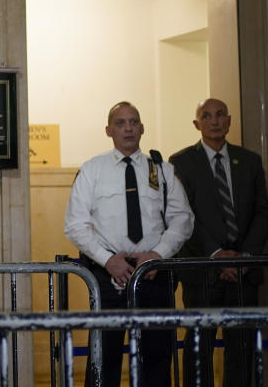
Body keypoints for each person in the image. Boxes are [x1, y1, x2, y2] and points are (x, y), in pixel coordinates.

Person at [64, 102, 193, 387]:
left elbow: (183, 219)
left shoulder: (162, 170)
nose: (128, 128)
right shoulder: (92, 170)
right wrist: (108, 260)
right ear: (108, 130)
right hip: (108, 275)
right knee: (104, 356)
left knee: (157, 355)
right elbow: (74, 224)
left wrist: (157, 255)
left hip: (154, 273)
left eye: (134, 122)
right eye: (120, 123)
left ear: (142, 128)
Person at [169, 98, 268, 387]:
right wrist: (216, 254)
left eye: (220, 115)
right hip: (202, 271)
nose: (214, 121)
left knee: (241, 346)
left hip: (244, 271)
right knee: (199, 346)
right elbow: (183, 216)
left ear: (229, 121)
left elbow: (263, 213)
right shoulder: (180, 162)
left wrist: (244, 257)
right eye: (206, 115)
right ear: (196, 124)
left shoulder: (250, 161)